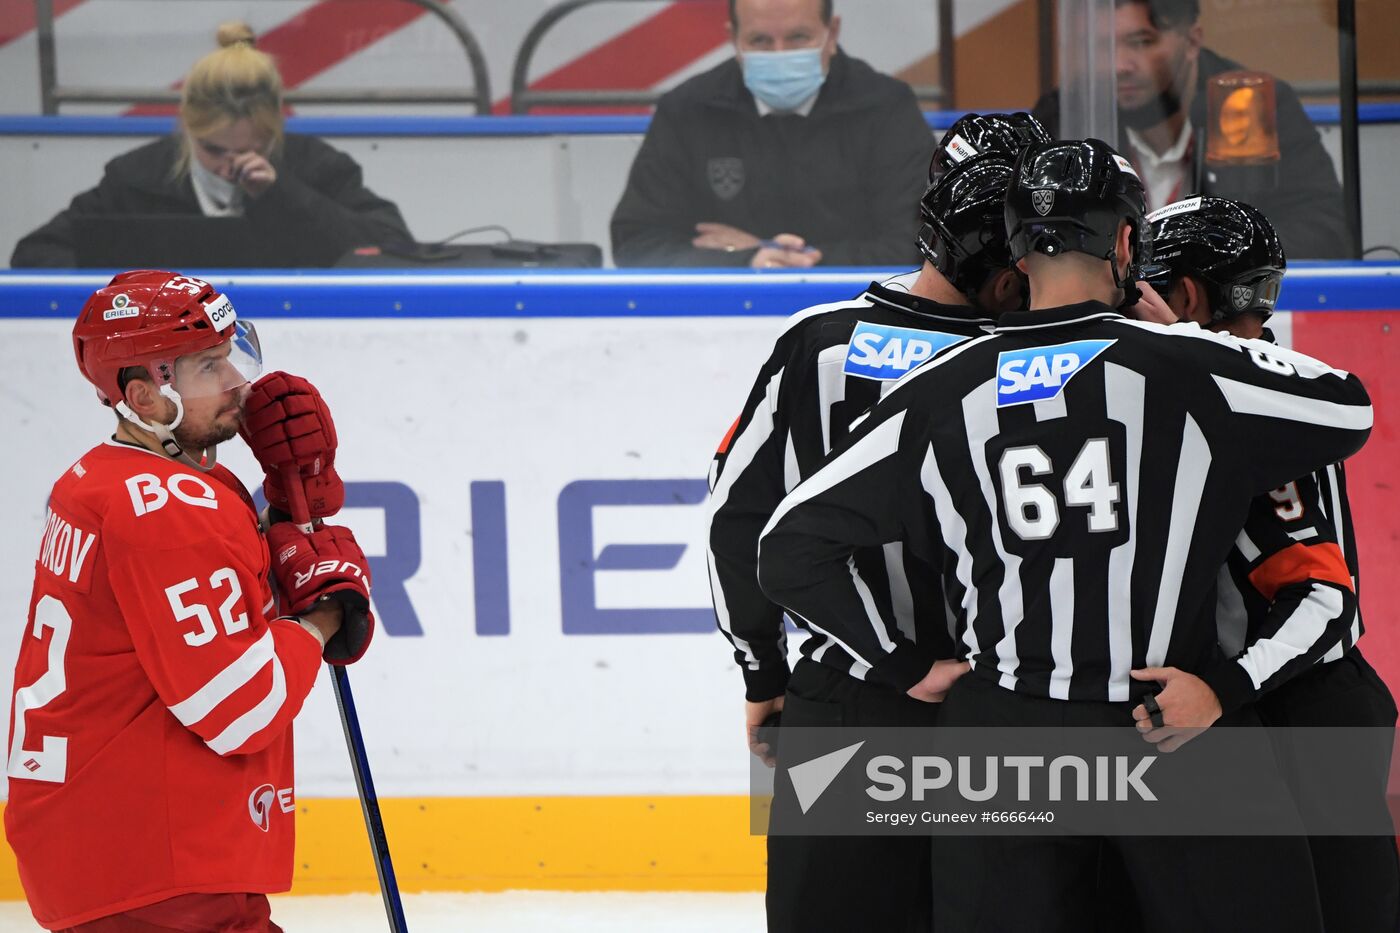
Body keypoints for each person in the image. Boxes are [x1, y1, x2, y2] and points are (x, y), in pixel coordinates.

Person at [755, 138, 1374, 932]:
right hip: (1166, 718)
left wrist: (904, 662)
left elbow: (787, 547)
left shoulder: (940, 391)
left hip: (1003, 735)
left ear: (1017, 250)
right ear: (1125, 242)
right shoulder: (1185, 367)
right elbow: (1347, 408)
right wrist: (1195, 341)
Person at [709, 112, 1047, 933]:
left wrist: (762, 672)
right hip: (1020, 702)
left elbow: (737, 523)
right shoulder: (1060, 360)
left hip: (851, 697)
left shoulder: (818, 345)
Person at [5, 270, 374, 931]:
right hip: (157, 870)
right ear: (145, 396)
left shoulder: (109, 476)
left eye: (233, 351)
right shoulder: (170, 507)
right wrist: (321, 618)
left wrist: (287, 510)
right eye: (209, 365)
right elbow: (242, 707)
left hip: (114, 844)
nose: (237, 378)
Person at [1143, 195, 1399, 933]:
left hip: (1301, 709)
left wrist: (1222, 689)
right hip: (1276, 704)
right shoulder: (1261, 384)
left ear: (1184, 295)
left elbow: (1324, 600)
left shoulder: (1253, 402)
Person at [10, 22, 412, 268]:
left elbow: (393, 248)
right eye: (214, 150)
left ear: (275, 130)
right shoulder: (136, 177)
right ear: (187, 127)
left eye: (252, 148)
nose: (228, 166)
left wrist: (283, 194)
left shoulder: (318, 166)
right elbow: (36, 253)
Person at [610, 0, 931, 269]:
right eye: (760, 41)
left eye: (798, 37)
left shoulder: (886, 107)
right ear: (734, 40)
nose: (780, 53)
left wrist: (800, 260)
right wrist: (745, 260)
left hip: (857, 313)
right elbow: (636, 244)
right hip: (723, 316)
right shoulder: (687, 110)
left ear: (831, 34)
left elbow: (922, 243)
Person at [1030, 0, 1351, 259]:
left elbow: (1327, 232)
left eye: (1141, 42)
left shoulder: (1251, 107)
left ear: (1193, 41)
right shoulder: (1066, 117)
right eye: (1101, 46)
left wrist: (1205, 259)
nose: (1119, 66)